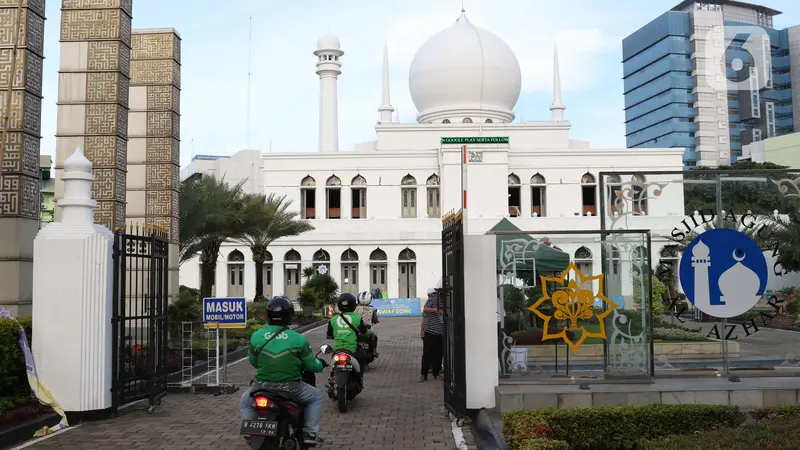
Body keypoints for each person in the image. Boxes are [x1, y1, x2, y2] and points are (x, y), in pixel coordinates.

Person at [239, 296, 327, 445]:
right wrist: (322, 365)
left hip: (261, 387)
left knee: (245, 402)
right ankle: (309, 433)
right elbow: (311, 366)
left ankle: (250, 433)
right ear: (289, 315)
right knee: (316, 397)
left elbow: (254, 361)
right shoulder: (298, 339)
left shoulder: (256, 336)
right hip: (291, 388)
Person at [326, 293, 372, 379]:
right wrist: (368, 334)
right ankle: (360, 378)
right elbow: (366, 333)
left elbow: (329, 335)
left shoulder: (333, 319)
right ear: (353, 305)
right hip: (352, 350)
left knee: (333, 367)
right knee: (362, 357)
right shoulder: (357, 318)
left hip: (337, 350)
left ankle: (332, 379)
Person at [419, 287, 444, 382]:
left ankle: (436, 373)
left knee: (438, 354)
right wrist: (435, 310)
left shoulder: (446, 301)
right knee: (427, 353)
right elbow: (425, 309)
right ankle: (424, 374)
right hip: (430, 331)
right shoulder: (433, 299)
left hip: (440, 332)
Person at [355, 291, 380, 357]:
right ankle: (374, 351)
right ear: (369, 299)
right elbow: (375, 320)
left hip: (356, 329)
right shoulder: (372, 309)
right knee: (374, 337)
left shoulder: (355, 308)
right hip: (368, 329)